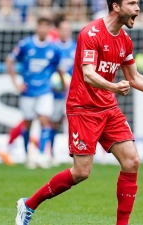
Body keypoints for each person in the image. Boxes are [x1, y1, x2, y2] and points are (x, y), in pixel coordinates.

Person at [14, 0, 143, 224]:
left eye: (138, 3)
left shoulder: (124, 40)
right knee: (81, 172)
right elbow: (88, 74)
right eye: (132, 3)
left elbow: (134, 78)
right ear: (116, 6)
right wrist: (114, 86)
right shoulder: (91, 33)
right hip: (83, 109)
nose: (138, 8)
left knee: (132, 161)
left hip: (108, 108)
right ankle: (28, 205)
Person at [6, 17, 65, 169]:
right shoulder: (25, 44)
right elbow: (9, 60)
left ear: (49, 29)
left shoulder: (54, 48)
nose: (43, 30)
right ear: (37, 28)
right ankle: (28, 156)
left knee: (45, 121)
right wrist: (15, 83)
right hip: (28, 91)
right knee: (28, 124)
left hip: (45, 90)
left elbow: (59, 68)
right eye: (41, 26)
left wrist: (64, 85)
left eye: (46, 27)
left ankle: (41, 155)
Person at [49, 19, 77, 167]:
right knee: (53, 123)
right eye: (63, 29)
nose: (66, 31)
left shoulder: (76, 47)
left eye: (68, 29)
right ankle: (51, 153)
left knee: (72, 124)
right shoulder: (52, 47)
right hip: (57, 92)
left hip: (74, 93)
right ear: (58, 30)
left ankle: (71, 154)